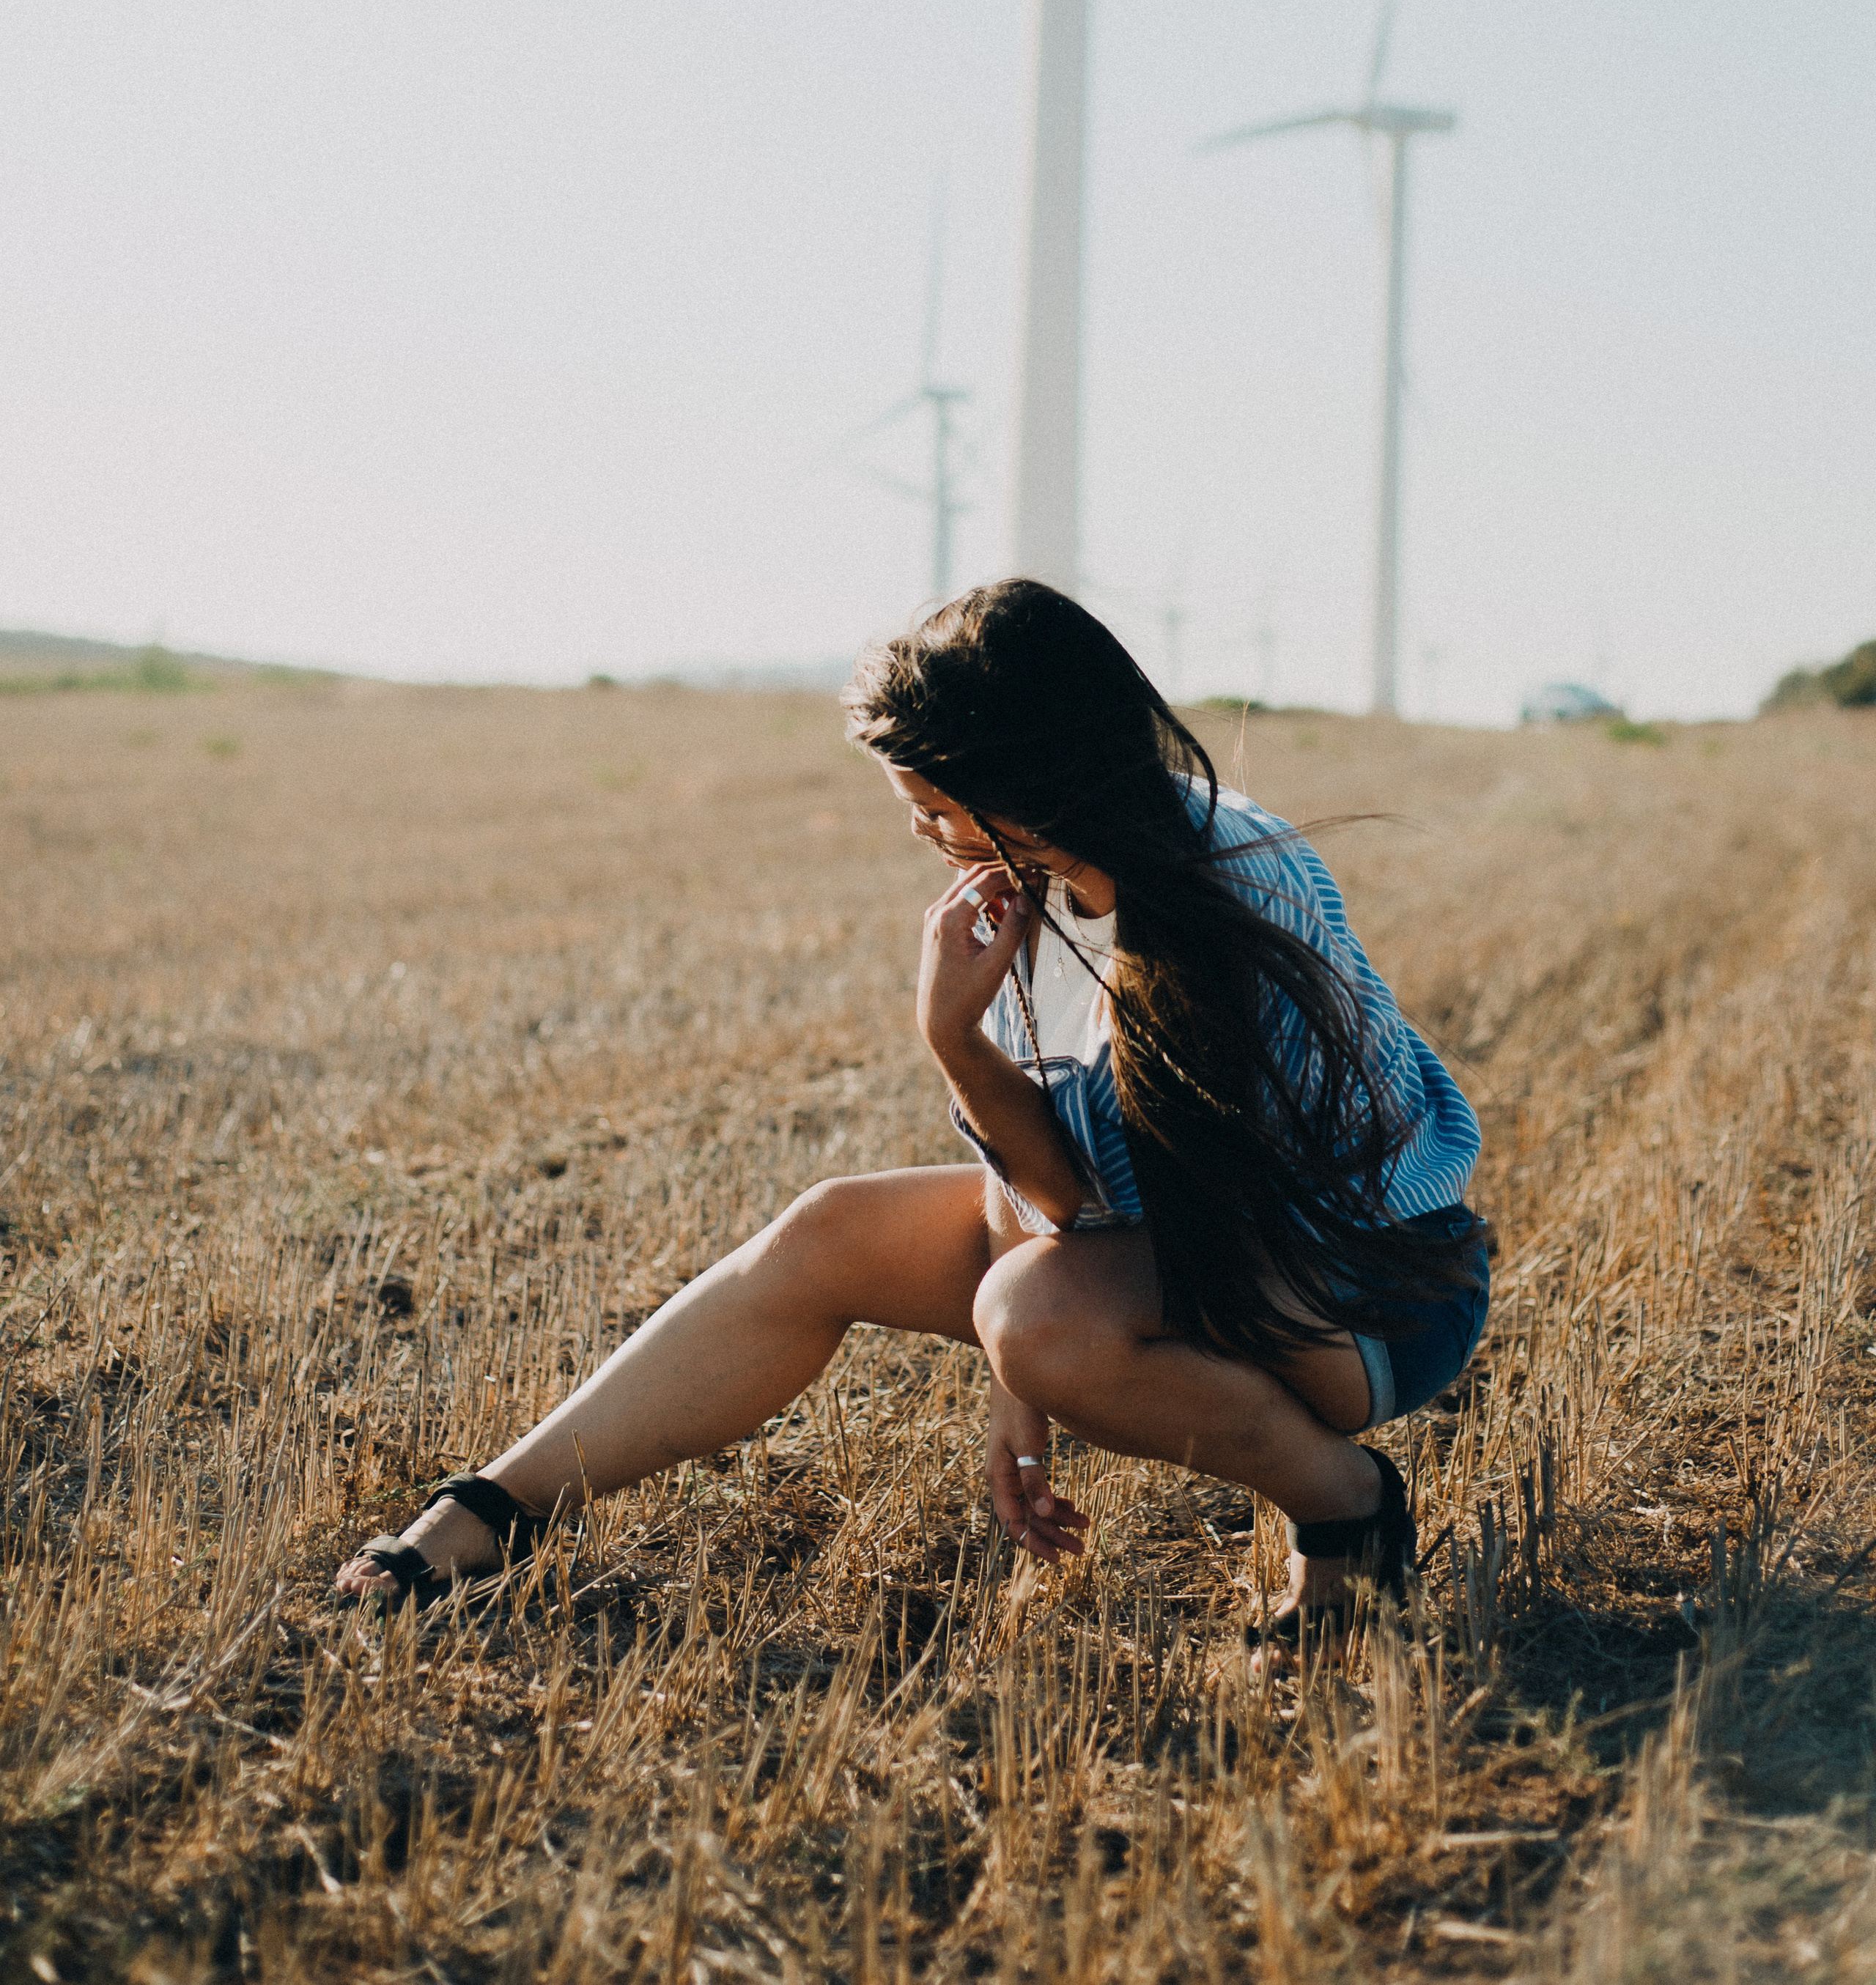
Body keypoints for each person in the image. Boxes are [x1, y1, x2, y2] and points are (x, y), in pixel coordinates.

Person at [338, 581, 1487, 1640]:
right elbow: (1060, 1199)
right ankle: (492, 1512)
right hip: (1199, 1251)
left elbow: (1098, 1221)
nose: (924, 836)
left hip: (1366, 1287)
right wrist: (957, 1044)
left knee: (1038, 1315)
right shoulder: (1050, 878)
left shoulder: (1224, 887)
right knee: (831, 1230)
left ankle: (1346, 1507)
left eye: (937, 808)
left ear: (1025, 783)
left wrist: (1021, 1351)